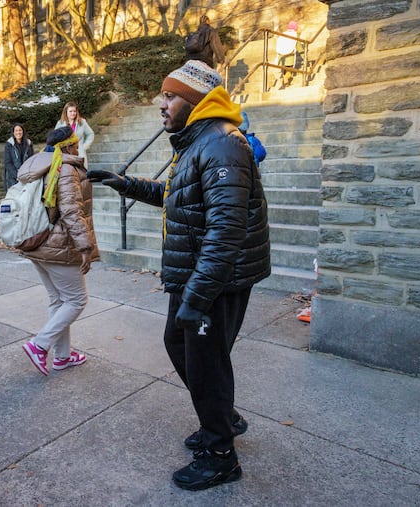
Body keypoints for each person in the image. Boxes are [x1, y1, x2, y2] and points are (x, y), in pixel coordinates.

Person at [87, 60, 270, 491]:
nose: (160, 104)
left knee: (207, 362)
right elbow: (179, 198)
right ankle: (222, 415)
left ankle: (221, 453)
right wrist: (125, 184)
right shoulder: (197, 142)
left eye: (169, 96)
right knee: (180, 345)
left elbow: (226, 230)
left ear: (195, 100)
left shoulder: (223, 144)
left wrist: (198, 297)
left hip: (215, 278)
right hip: (197, 273)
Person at [20, 126, 99, 375]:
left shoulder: (41, 164)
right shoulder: (66, 169)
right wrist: (85, 246)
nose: (78, 148)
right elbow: (71, 211)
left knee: (58, 300)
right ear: (67, 147)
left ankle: (62, 357)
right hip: (59, 247)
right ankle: (40, 345)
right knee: (76, 300)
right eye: (75, 144)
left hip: (37, 243)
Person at [55, 102, 95, 168]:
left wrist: (84, 146)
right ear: (66, 112)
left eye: (74, 111)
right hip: (65, 154)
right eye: (70, 111)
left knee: (81, 174)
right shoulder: (60, 123)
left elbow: (90, 134)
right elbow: (54, 138)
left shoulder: (82, 122)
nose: (73, 113)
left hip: (79, 153)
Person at [3, 123, 34, 191]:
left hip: (26, 176)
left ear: (23, 131)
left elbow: (31, 160)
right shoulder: (9, 144)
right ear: (13, 132)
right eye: (16, 130)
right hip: (13, 178)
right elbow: (7, 162)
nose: (18, 132)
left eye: (20, 130)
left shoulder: (28, 144)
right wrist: (17, 176)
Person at [276, 21, 303, 88]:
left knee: (284, 69)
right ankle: (285, 80)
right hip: (289, 55)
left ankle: (285, 81)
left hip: (281, 56)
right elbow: (299, 46)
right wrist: (304, 56)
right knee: (289, 69)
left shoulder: (283, 34)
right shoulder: (295, 35)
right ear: (295, 28)